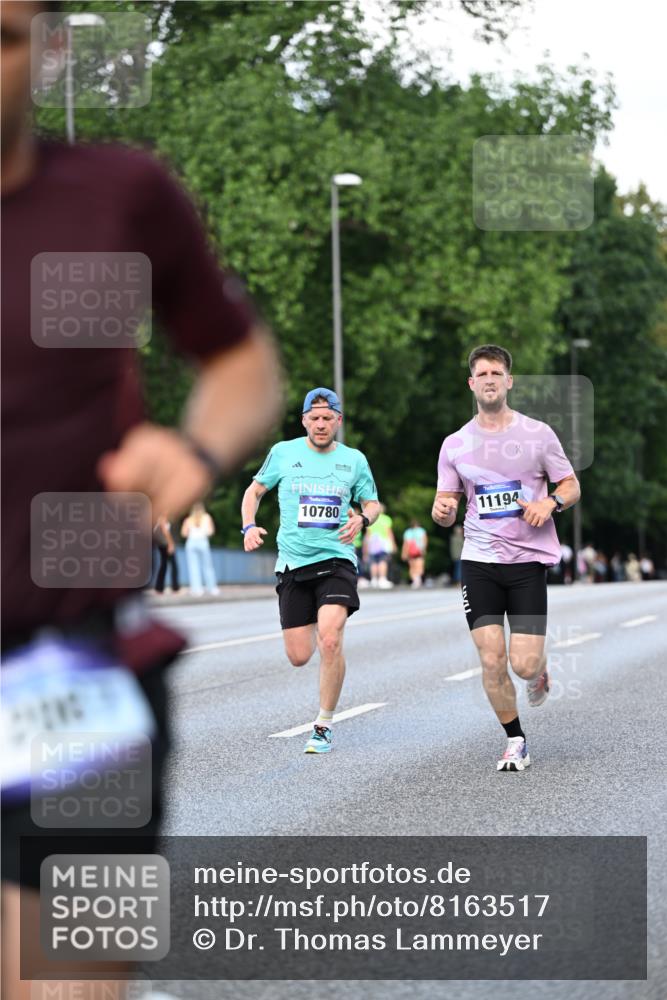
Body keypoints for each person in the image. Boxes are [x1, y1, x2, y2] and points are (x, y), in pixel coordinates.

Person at [1, 3, 281, 996]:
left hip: (81, 671)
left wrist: (196, 445)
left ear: (49, 48)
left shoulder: (122, 193)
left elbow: (240, 358)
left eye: (3, 38)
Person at [432, 344, 580, 773]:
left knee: (524, 663)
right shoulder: (455, 444)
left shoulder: (537, 434)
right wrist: (441, 511)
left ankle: (540, 669)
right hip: (478, 561)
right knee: (492, 657)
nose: (490, 379)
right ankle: (515, 739)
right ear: (472, 384)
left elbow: (571, 485)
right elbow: (446, 501)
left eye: (497, 372)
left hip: (527, 563)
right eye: (482, 373)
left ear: (509, 381)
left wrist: (551, 502)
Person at [241, 388, 380, 753]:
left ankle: (323, 724)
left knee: (330, 639)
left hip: (337, 561)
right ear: (304, 420)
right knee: (299, 656)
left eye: (327, 418)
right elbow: (253, 492)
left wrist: (363, 518)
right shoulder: (283, 453)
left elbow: (373, 502)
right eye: (314, 418)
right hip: (293, 565)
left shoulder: (353, 460)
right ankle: (321, 628)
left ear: (338, 420)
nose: (321, 424)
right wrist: (248, 526)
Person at [181, 501, 219, 596]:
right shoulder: (207, 517)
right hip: (203, 542)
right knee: (207, 566)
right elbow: (211, 531)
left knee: (193, 567)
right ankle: (212, 588)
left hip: (191, 543)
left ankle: (197, 589)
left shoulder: (188, 519)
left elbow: (184, 533)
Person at [363, 502, 396, 588]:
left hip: (372, 542)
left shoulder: (371, 519)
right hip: (383, 542)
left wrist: (366, 547)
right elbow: (389, 532)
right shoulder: (386, 519)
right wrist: (393, 544)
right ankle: (382, 579)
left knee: (373, 561)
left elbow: (368, 534)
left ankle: (374, 579)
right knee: (383, 560)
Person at [153, 514, 180, 594]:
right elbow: (165, 531)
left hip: (161, 544)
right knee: (174, 565)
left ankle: (159, 588)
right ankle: (175, 588)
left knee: (163, 565)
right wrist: (171, 544)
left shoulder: (158, 518)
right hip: (166, 544)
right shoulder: (162, 518)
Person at [401, 519, 428, 588]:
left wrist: (404, 553)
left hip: (410, 552)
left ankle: (415, 580)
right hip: (419, 551)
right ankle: (418, 579)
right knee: (419, 566)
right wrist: (424, 550)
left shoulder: (407, 532)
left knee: (412, 567)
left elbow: (405, 544)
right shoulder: (421, 531)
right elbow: (425, 541)